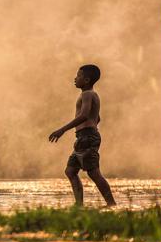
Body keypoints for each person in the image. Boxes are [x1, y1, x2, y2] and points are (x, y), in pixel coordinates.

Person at [49, 64, 116, 206]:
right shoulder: (90, 94)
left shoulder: (87, 94)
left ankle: (111, 204)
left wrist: (62, 130)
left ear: (86, 80)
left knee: (93, 173)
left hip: (87, 137)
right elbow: (97, 118)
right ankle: (79, 206)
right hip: (83, 138)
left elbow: (84, 115)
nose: (75, 78)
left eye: (78, 76)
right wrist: (88, 128)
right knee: (70, 171)